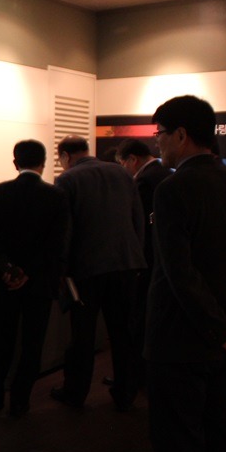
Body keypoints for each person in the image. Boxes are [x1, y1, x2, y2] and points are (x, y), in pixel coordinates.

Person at [146, 95, 226, 452]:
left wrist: (222, 331)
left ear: (181, 135)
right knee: (218, 433)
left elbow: (179, 273)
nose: (157, 142)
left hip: (180, 341)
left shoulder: (173, 189)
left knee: (177, 443)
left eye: (160, 133)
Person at [51, 135, 145, 411]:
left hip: (87, 269)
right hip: (125, 265)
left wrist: (61, 269)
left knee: (82, 335)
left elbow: (64, 230)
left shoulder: (67, 180)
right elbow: (137, 218)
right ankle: (125, 392)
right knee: (123, 333)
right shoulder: (121, 173)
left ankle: (75, 392)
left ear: (65, 156)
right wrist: (136, 256)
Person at [0, 140, 70, 417]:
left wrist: (8, 269)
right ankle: (20, 400)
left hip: (6, 280)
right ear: (43, 164)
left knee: (1, 339)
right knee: (32, 343)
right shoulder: (56, 195)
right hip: (39, 282)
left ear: (15, 163)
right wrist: (28, 272)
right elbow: (56, 243)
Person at [114, 138, 172, 387]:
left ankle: (136, 377)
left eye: (121, 163)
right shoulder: (166, 174)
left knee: (140, 322)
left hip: (147, 262)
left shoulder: (144, 181)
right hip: (162, 260)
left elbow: (140, 227)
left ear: (132, 159)